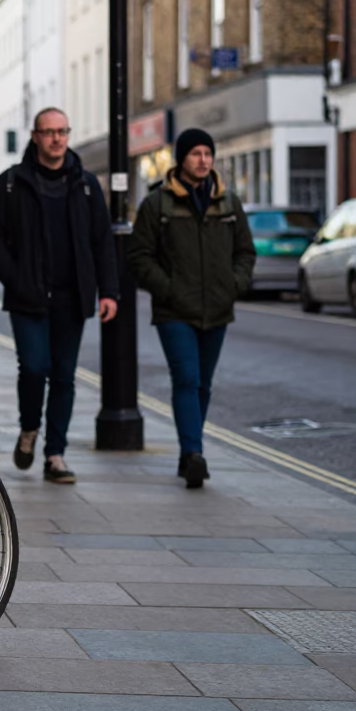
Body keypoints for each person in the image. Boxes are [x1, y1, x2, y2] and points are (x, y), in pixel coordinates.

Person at [0, 107, 119, 484]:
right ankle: (29, 429)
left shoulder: (87, 184)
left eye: (62, 132)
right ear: (35, 136)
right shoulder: (11, 182)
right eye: (49, 132)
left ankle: (55, 454)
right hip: (27, 296)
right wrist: (14, 278)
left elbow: (102, 241)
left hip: (71, 297)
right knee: (34, 368)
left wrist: (108, 291)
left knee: (64, 376)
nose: (56, 139)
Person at [127, 128, 255, 489]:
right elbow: (139, 256)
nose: (203, 160)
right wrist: (166, 289)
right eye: (196, 153)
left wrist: (234, 284)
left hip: (217, 308)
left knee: (204, 384)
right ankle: (194, 453)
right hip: (174, 310)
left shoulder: (228, 203)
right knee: (186, 379)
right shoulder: (158, 204)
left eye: (207, 153)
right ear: (181, 159)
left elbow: (245, 252)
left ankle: (189, 452)